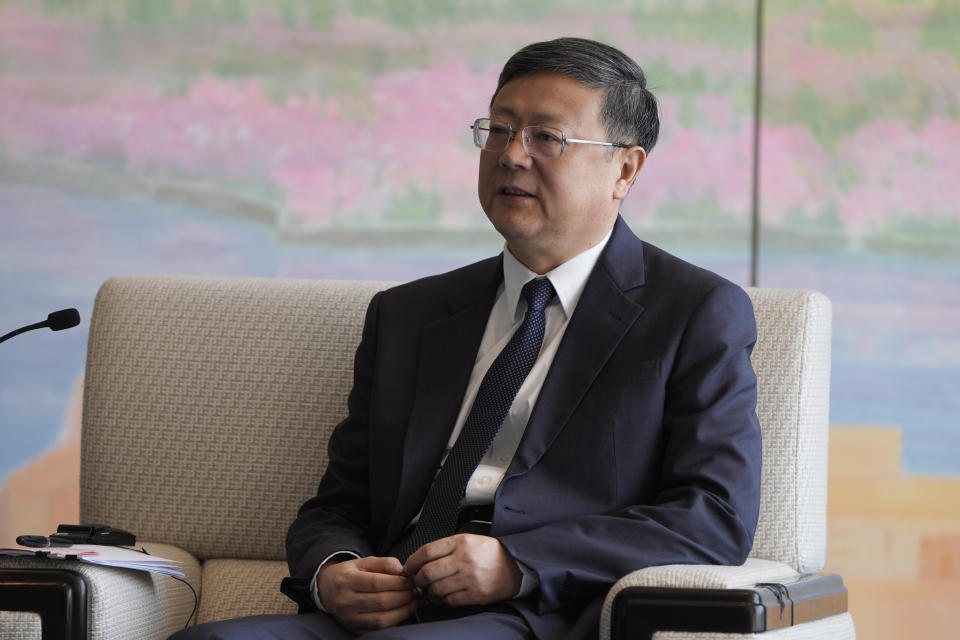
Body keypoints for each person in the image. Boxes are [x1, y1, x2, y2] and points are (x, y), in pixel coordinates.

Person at [170, 36, 761, 640]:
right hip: (391, 605)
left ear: (625, 169)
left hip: (536, 612)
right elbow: (340, 501)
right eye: (499, 130)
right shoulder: (407, 314)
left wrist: (519, 564)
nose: (512, 156)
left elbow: (713, 517)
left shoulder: (694, 312)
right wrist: (333, 572)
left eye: (546, 138)